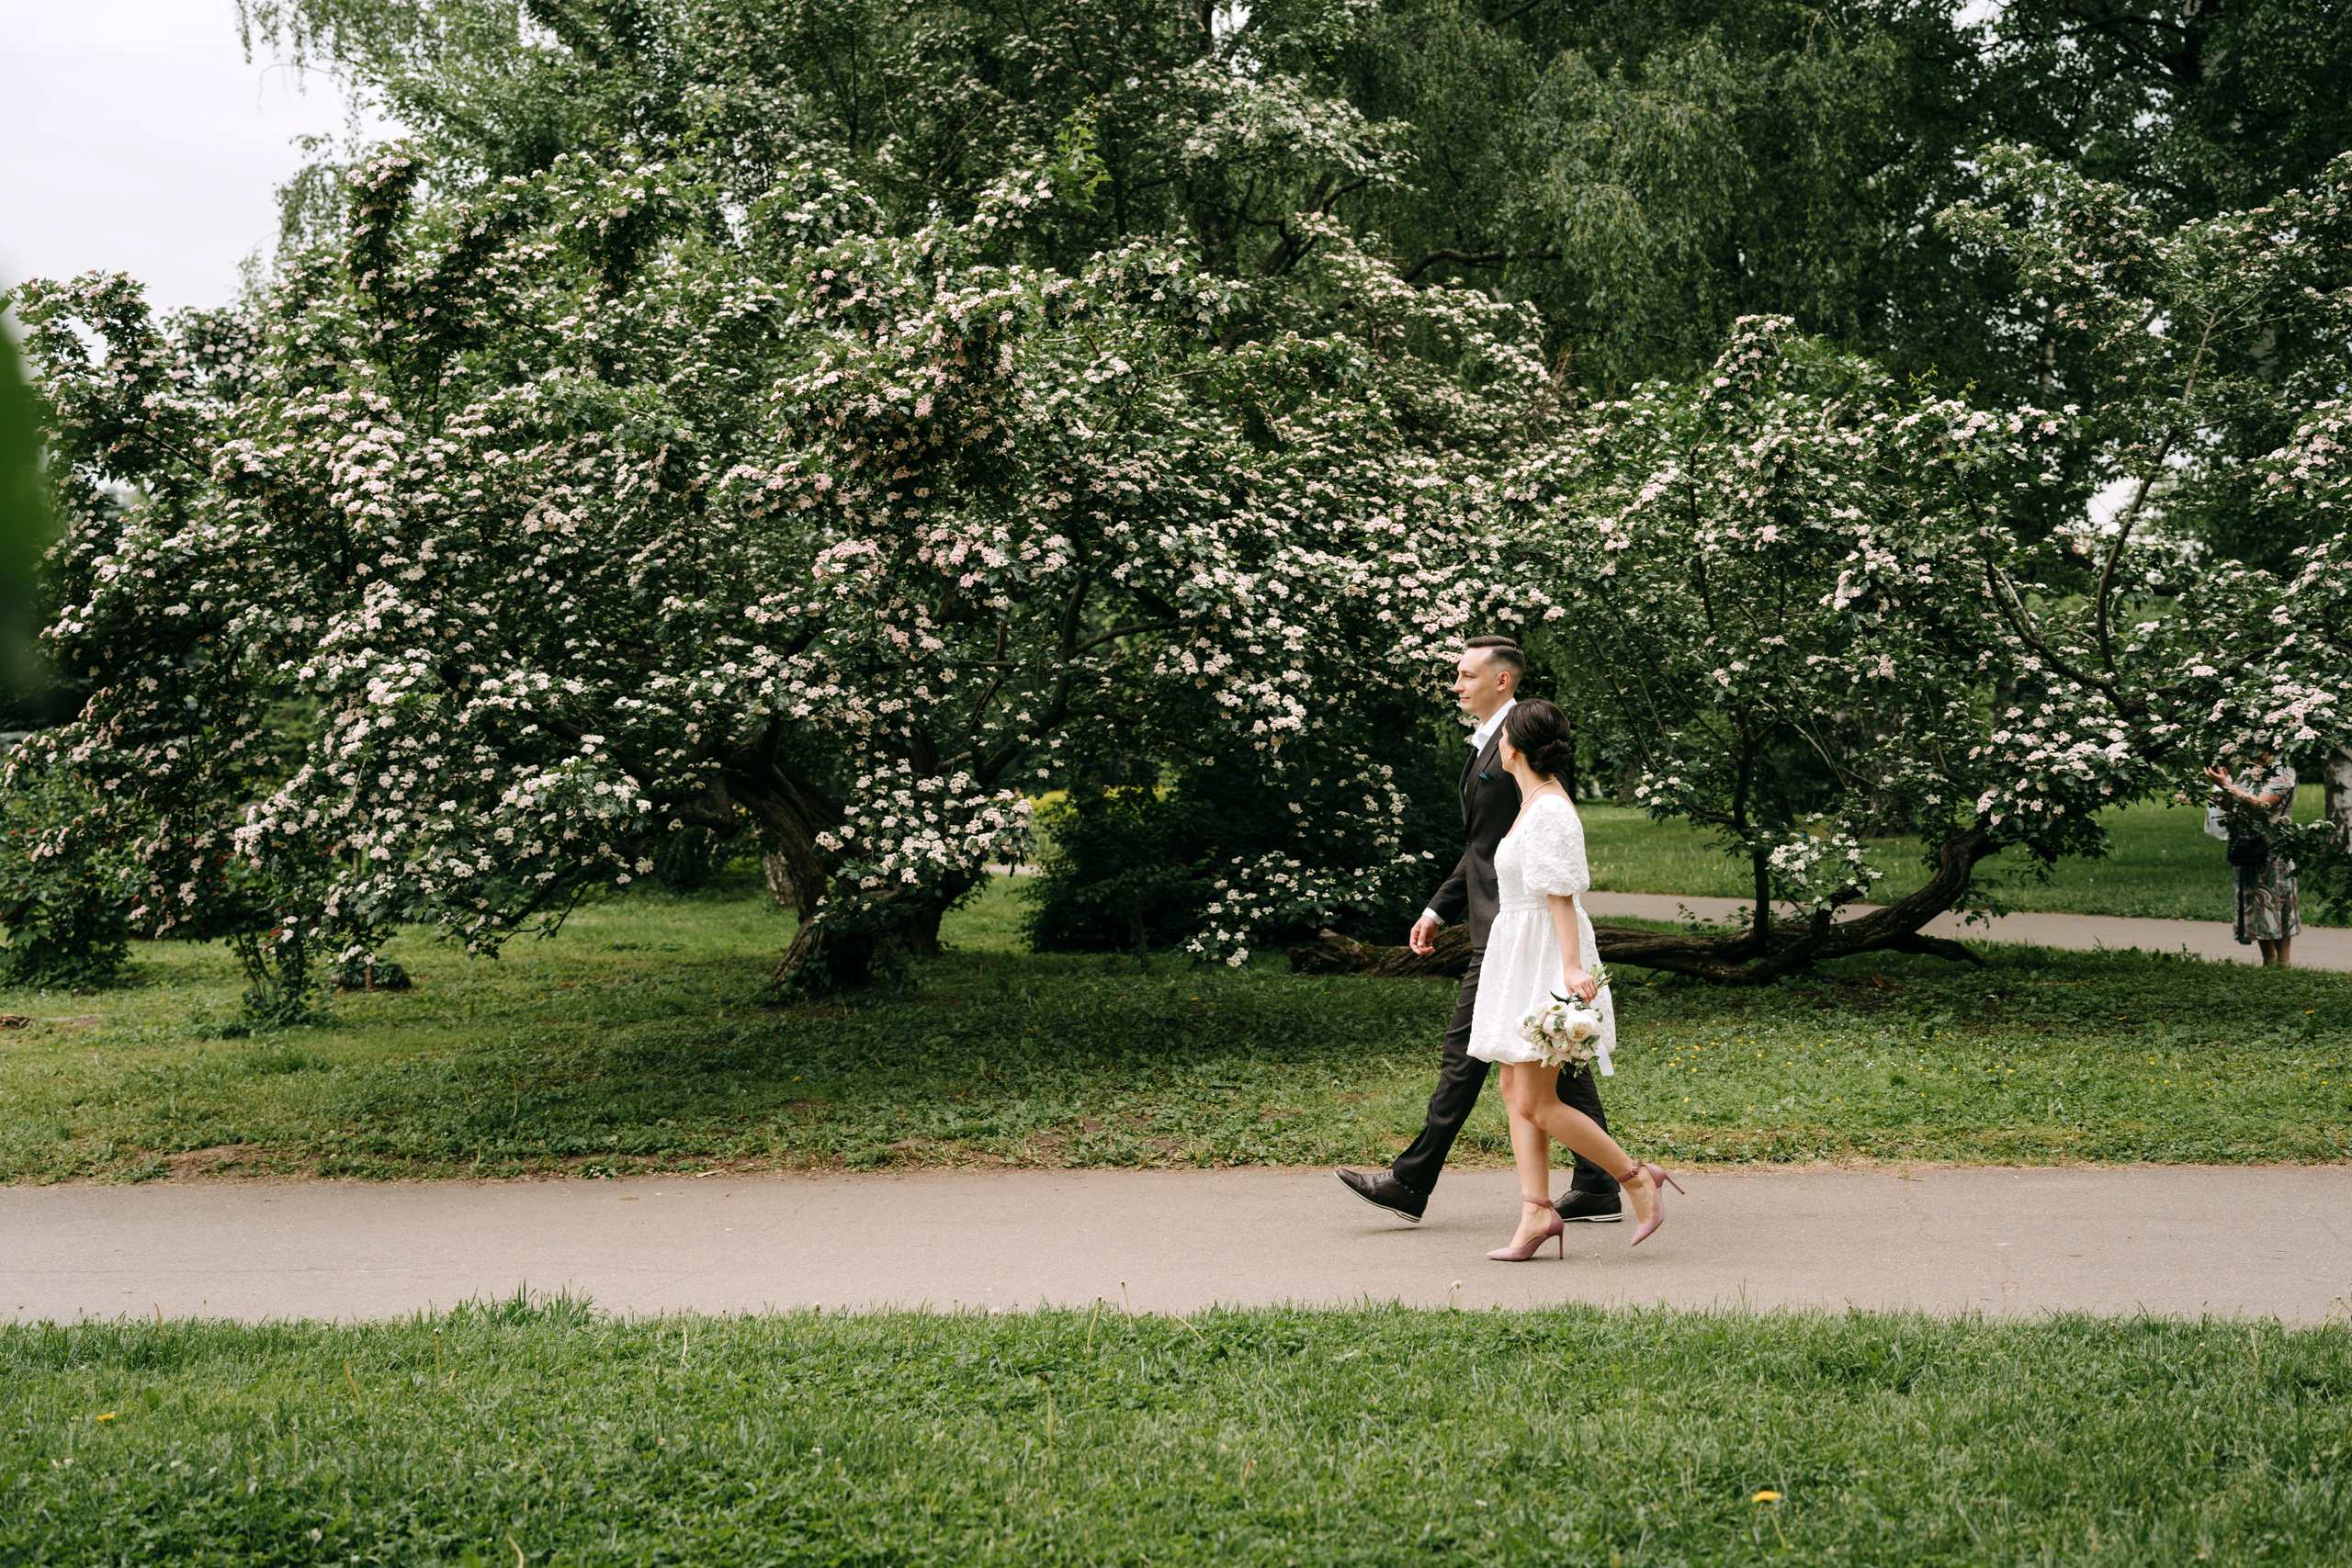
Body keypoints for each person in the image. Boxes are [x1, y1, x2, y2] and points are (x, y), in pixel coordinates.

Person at [1335, 637, 1624, 1225]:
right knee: (1552, 1057)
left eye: (1467, 675)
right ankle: (1597, 1183)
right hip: (1503, 926)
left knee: (1472, 1054)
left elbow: (1516, 850)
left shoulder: (1520, 748)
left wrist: (1561, 957)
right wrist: (1439, 908)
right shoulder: (1486, 748)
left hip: (1518, 932)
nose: (1456, 685)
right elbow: (1481, 848)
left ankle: (1412, 1182)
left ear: (1502, 681)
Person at [1467, 699, 1671, 1255]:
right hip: (1519, 949)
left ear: (1513, 747)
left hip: (1544, 955)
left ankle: (1635, 1179)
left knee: (1536, 1100)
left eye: (1502, 736)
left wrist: (1572, 968)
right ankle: (1536, 1213)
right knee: (1514, 1089)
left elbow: (1561, 896)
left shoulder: (1551, 809)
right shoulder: (1531, 801)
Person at [2206, 755, 2299, 967]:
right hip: (2248, 844)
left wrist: (2228, 788)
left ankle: (2284, 964)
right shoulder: (2250, 770)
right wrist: (2222, 786)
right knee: (2255, 902)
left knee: (2278, 902)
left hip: (2274, 848)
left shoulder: (2282, 771)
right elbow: (2232, 803)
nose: (2251, 753)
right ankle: (2268, 961)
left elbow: (2261, 804)